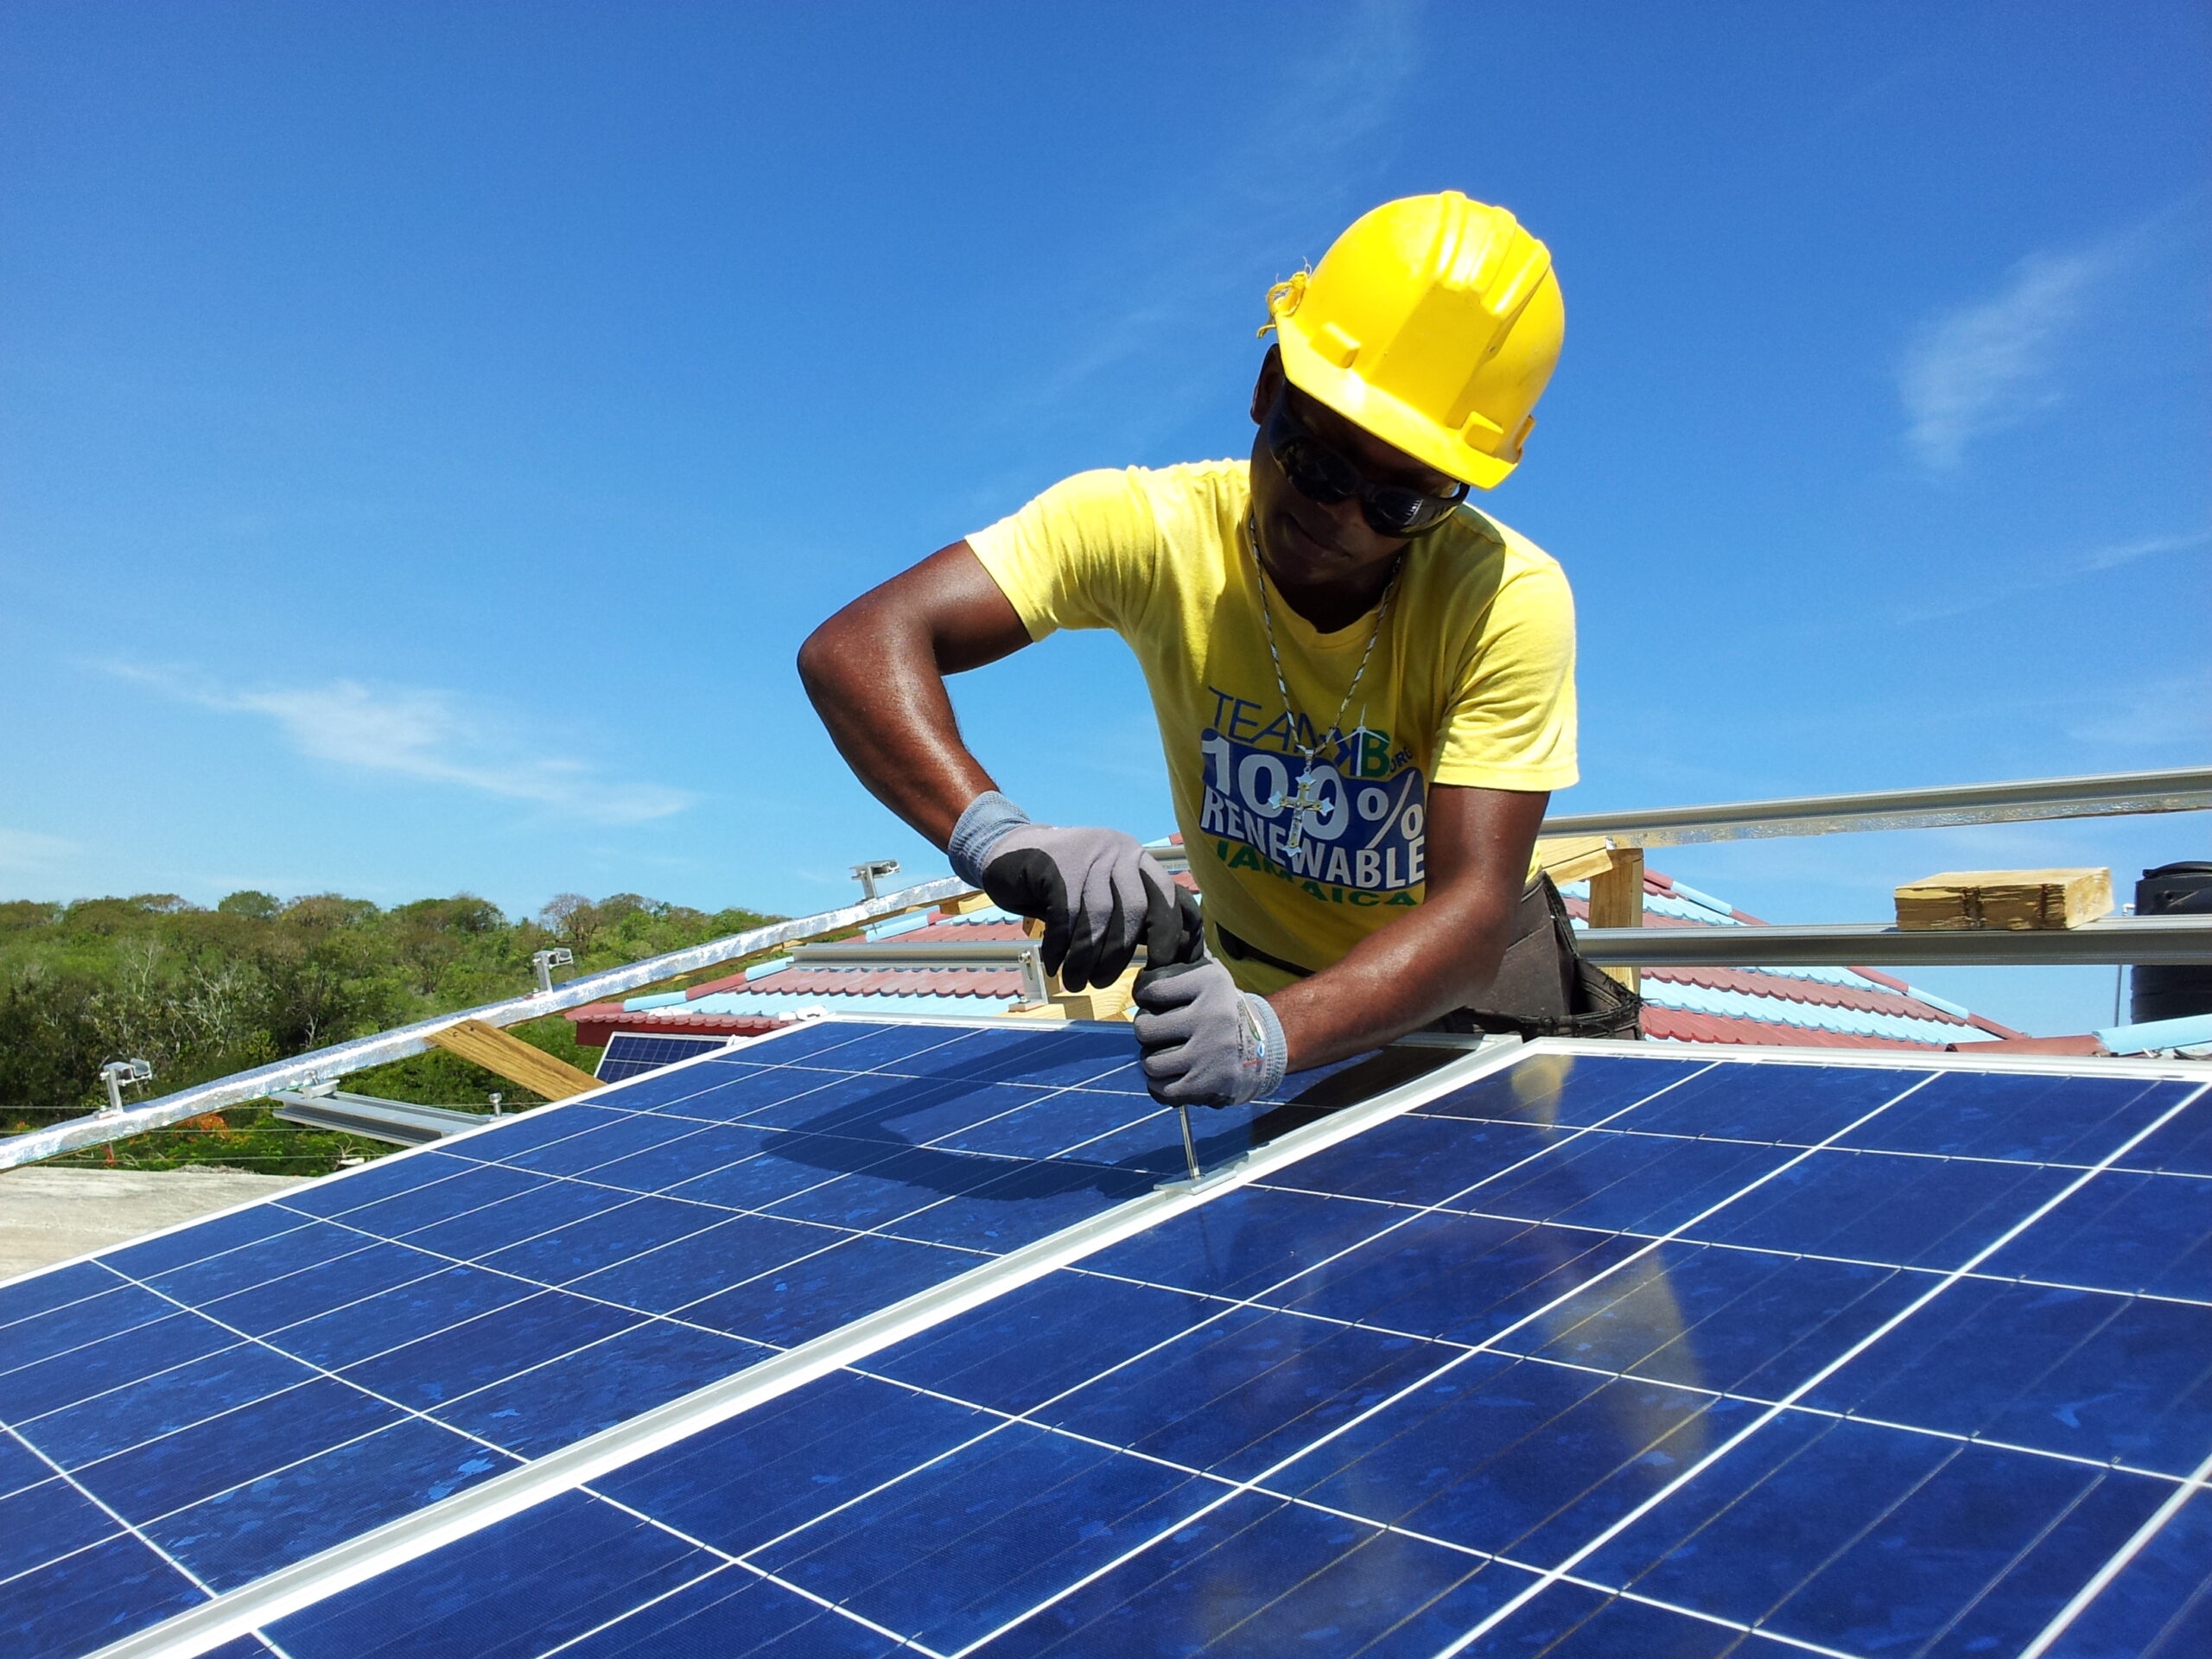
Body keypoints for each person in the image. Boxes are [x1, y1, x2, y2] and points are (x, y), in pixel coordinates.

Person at [799, 191, 1577, 1109]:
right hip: (1257, 994)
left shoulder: (1504, 598)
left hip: (1468, 1004)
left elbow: (1473, 912)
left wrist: (1269, 1038)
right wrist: (998, 834)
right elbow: (857, 646)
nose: (1341, 521)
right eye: (1318, 464)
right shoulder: (1147, 530)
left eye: (1397, 503)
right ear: (1265, 392)